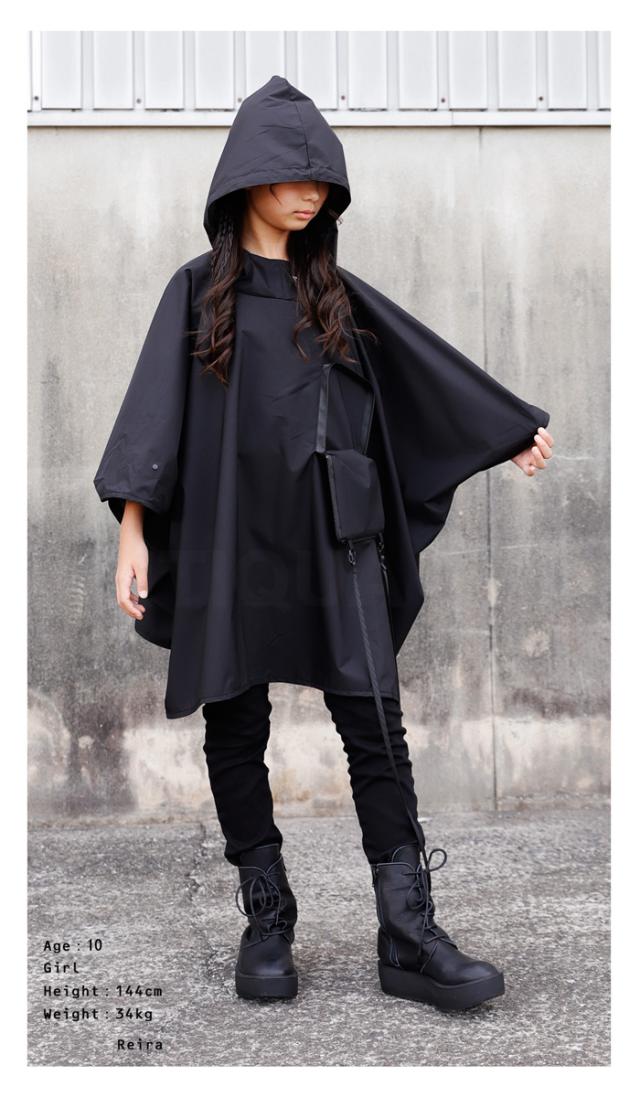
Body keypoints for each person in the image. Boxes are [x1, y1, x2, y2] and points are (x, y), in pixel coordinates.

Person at [94, 75, 554, 1012]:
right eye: (291, 176)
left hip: (336, 537)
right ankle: (268, 915)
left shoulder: (335, 295)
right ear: (245, 180)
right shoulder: (197, 292)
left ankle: (408, 931)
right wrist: (134, 530)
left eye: (322, 183)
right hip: (232, 536)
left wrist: (505, 429)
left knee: (375, 724)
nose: (309, 195)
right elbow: (153, 416)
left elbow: (424, 376)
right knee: (235, 719)